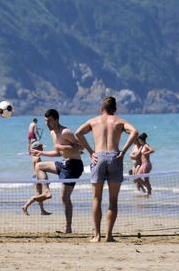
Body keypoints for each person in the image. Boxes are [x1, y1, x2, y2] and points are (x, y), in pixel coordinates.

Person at [75, 96, 138, 243]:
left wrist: (91, 152)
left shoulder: (94, 121)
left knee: (97, 198)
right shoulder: (119, 121)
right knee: (113, 199)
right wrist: (123, 152)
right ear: (115, 109)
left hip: (98, 156)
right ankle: (109, 235)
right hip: (115, 156)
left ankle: (97, 235)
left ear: (101, 108)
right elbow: (135, 132)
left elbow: (77, 133)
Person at [25, 109, 83, 233]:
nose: (47, 123)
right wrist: (41, 152)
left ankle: (68, 227)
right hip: (63, 163)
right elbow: (57, 153)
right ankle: (46, 192)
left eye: (49, 121)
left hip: (74, 165)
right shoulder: (52, 133)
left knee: (64, 197)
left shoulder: (65, 132)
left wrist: (63, 147)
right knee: (39, 166)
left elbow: (80, 146)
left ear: (56, 120)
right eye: (45, 121)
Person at [20, 140, 52, 216]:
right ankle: (25, 206)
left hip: (36, 177)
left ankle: (42, 210)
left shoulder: (34, 156)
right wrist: (43, 180)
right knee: (38, 195)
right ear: (37, 148)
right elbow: (38, 170)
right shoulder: (37, 158)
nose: (42, 149)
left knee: (40, 194)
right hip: (38, 178)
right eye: (41, 147)